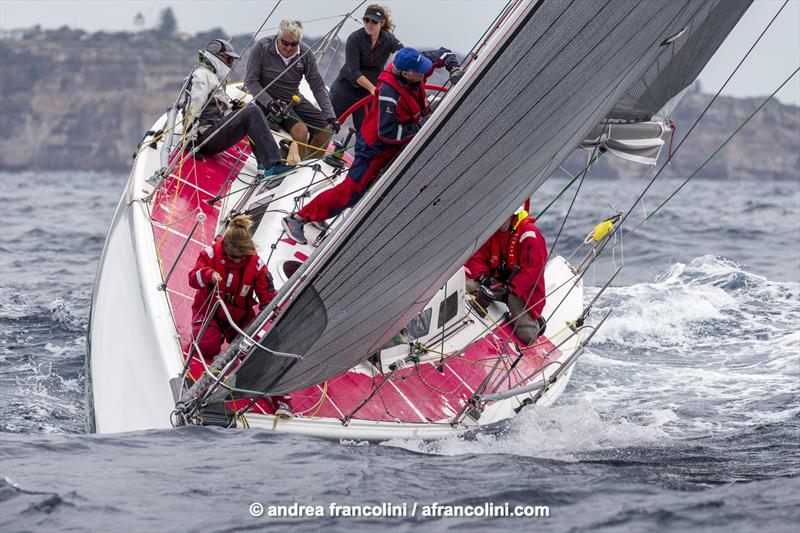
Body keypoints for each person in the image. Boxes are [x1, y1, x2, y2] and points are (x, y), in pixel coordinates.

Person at [281, 47, 461, 245]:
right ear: (405, 73)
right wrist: (418, 128)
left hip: (393, 146)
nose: (424, 73)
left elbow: (444, 53)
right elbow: (388, 133)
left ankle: (323, 214)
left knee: (364, 193)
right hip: (374, 150)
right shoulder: (389, 94)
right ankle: (296, 219)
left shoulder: (413, 66)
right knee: (350, 192)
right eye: (419, 71)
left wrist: (454, 69)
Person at [187, 215, 292, 417]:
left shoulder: (257, 265)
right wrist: (208, 274)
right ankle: (201, 389)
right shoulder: (210, 254)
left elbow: (267, 295)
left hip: (240, 318)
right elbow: (192, 278)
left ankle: (282, 398)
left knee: (257, 354)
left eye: (240, 257)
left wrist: (274, 311)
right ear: (226, 246)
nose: (236, 261)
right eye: (232, 256)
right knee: (207, 346)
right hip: (210, 312)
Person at [187, 39, 293, 178]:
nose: (231, 64)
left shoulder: (213, 77)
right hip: (204, 140)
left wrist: (233, 110)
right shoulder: (202, 75)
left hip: (211, 135)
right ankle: (272, 165)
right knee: (252, 111)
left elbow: (214, 108)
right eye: (229, 59)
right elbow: (193, 107)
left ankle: (264, 165)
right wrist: (190, 142)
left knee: (252, 111)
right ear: (217, 56)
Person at [245, 20, 340, 160]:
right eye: (285, 43)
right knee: (301, 132)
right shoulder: (262, 46)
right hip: (268, 98)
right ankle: (298, 170)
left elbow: (318, 87)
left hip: (293, 97)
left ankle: (307, 169)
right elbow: (251, 81)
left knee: (326, 130)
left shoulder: (305, 53)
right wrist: (269, 102)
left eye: (294, 44)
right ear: (278, 37)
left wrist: (330, 116)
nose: (289, 48)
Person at [464, 209, 548, 345]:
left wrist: (511, 288)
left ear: (512, 215)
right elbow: (477, 257)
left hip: (520, 292)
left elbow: (533, 269)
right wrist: (483, 277)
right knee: (466, 288)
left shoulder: (529, 234)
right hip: (497, 284)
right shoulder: (491, 232)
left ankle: (537, 322)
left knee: (527, 336)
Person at [330, 4, 404, 132]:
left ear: (382, 23)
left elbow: (403, 52)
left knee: (365, 131)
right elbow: (354, 72)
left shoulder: (388, 39)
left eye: (374, 21)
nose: (369, 24)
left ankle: (361, 151)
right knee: (329, 124)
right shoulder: (354, 39)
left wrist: (398, 66)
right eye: (366, 20)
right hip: (346, 88)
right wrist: (372, 89)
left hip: (366, 94)